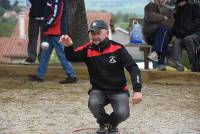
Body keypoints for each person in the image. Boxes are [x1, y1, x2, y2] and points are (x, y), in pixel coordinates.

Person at [60, 20, 143, 134]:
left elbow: (133, 68)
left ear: (107, 33)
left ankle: (112, 124)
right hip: (98, 90)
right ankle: (103, 123)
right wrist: (68, 46)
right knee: (93, 104)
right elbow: (72, 57)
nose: (95, 37)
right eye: (92, 33)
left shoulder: (118, 48)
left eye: (98, 33)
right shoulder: (87, 49)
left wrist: (137, 90)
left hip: (118, 91)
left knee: (123, 114)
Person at [28, 0, 77, 83]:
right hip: (51, 32)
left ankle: (72, 76)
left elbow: (56, 15)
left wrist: (46, 25)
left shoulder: (57, 0)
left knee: (61, 54)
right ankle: (40, 75)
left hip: (56, 32)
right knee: (45, 54)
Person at [142, 0, 179, 71]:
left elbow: (171, 23)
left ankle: (156, 54)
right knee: (163, 32)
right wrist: (163, 18)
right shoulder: (149, 7)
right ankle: (160, 61)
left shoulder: (169, 10)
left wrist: (158, 21)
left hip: (163, 34)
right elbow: (150, 17)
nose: (162, 0)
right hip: (151, 35)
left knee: (163, 32)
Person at [172, 0, 200, 72]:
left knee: (188, 39)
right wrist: (178, 32)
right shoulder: (177, 10)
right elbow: (175, 26)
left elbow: (197, 22)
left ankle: (194, 65)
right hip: (184, 35)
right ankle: (178, 65)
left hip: (196, 33)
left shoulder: (195, 6)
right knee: (177, 41)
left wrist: (185, 30)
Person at [24, 0, 46, 64]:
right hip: (34, 16)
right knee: (32, 38)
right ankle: (31, 57)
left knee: (45, 39)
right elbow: (28, 2)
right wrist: (32, 8)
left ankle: (43, 58)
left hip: (45, 18)